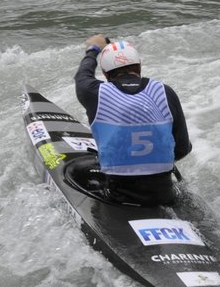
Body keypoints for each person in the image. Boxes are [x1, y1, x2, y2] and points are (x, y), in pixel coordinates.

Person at [75, 34, 192, 207]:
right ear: (139, 66)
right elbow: (182, 148)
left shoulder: (96, 93)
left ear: (105, 73)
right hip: (164, 193)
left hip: (120, 196)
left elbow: (82, 76)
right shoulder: (165, 92)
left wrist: (93, 50)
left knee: (78, 171)